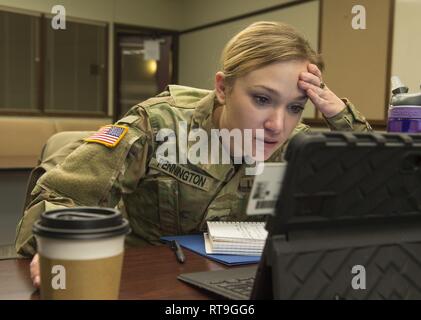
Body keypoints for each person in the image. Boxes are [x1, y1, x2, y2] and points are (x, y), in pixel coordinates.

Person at [16, 21, 372, 288]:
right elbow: (63, 194)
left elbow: (377, 191)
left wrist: (340, 116)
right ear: (222, 88)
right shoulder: (159, 124)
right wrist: (61, 243)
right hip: (147, 286)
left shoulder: (299, 145)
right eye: (262, 100)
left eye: (295, 107)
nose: (277, 125)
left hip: (242, 286)